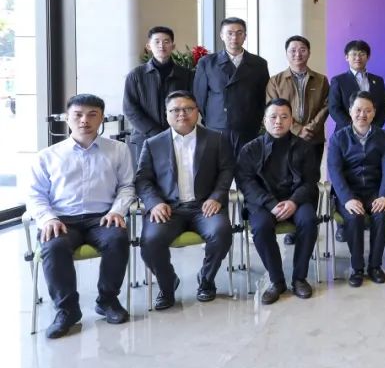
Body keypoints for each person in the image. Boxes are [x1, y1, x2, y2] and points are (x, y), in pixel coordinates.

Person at [26, 94, 135, 339]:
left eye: (92, 115)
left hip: (102, 217)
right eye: (78, 115)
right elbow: (35, 195)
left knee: (117, 239)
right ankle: (67, 310)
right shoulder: (47, 156)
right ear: (67, 118)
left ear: (101, 118)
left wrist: (117, 210)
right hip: (62, 219)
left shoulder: (118, 150)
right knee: (54, 247)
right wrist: (48, 218)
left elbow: (127, 186)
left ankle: (107, 300)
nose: (84, 120)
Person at [135, 91, 235, 309]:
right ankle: (167, 284)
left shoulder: (216, 138)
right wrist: (155, 203)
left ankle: (206, 279)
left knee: (221, 233)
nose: (182, 114)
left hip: (204, 206)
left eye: (188, 109)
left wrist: (217, 197)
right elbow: (143, 180)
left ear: (197, 111)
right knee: (150, 241)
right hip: (169, 208)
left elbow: (227, 170)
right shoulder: (153, 144)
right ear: (167, 114)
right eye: (175, 110)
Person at [234, 99, 320, 305]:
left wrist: (293, 202)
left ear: (291, 120)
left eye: (284, 117)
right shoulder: (250, 149)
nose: (278, 122)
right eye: (273, 117)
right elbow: (246, 183)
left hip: (296, 199)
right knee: (261, 226)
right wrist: (271, 204)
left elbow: (310, 181)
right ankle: (276, 280)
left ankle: (299, 278)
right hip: (263, 203)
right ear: (264, 120)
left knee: (309, 221)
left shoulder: (304, 147)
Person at [327, 91, 385, 287]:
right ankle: (357, 268)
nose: (362, 115)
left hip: (374, 191)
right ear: (350, 111)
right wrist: (347, 198)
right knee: (354, 217)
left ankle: (375, 266)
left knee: (381, 215)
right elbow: (335, 171)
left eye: (367, 110)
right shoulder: (338, 138)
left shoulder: (383, 136)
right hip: (349, 192)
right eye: (358, 110)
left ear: (374, 113)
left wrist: (384, 196)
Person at [193, 17, 270, 158]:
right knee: (219, 168)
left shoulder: (259, 64)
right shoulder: (207, 63)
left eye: (239, 33)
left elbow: (262, 96)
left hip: (247, 127)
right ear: (221, 35)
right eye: (229, 33)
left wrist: (256, 120)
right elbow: (200, 97)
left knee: (246, 167)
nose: (234, 37)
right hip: (217, 127)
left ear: (245, 36)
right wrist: (212, 119)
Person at [123, 26, 194, 158]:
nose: (161, 45)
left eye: (166, 41)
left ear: (173, 46)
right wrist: (154, 131)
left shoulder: (186, 75)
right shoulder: (136, 75)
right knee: (146, 171)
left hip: (177, 136)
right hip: (145, 138)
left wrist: (178, 130)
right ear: (149, 46)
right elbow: (130, 109)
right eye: (157, 42)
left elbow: (191, 105)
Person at [266, 35, 330, 150]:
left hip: (313, 137)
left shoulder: (321, 80)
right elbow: (272, 109)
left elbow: (327, 106)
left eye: (302, 50)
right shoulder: (275, 81)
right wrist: (298, 129)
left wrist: (312, 127)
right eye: (293, 50)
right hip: (285, 137)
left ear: (309, 53)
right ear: (286, 54)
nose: (298, 54)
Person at [329, 39, 385, 132]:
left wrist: (373, 128)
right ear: (346, 57)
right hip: (346, 132)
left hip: (373, 133)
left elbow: (384, 107)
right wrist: (354, 128)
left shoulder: (378, 80)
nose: (358, 58)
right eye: (354, 54)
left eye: (362, 54)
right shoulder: (338, 80)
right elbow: (334, 108)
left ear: (368, 57)